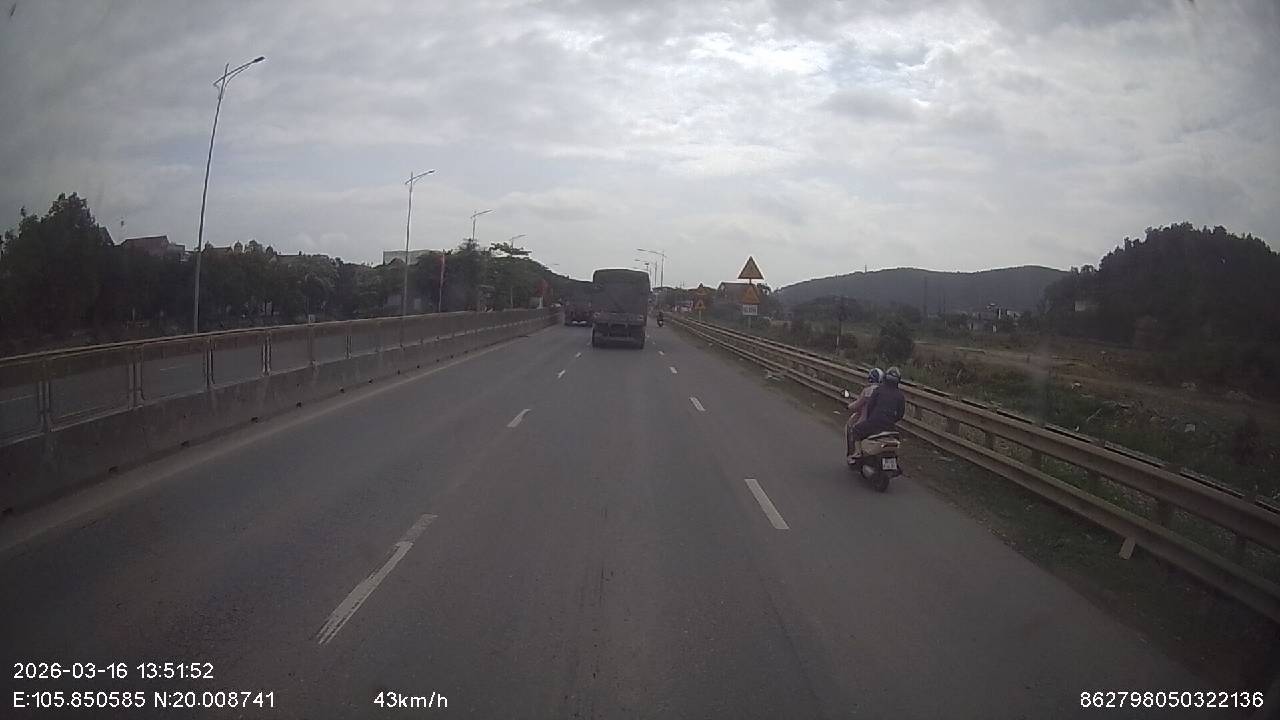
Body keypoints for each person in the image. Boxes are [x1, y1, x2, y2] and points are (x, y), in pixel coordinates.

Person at [848, 366, 906, 461]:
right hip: (890, 426)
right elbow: (900, 414)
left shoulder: (878, 390)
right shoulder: (900, 395)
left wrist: (872, 417)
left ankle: (858, 453)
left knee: (856, 430)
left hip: (875, 423)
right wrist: (891, 420)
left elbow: (870, 407)